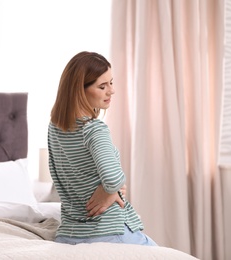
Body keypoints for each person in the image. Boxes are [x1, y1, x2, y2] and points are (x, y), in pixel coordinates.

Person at [48, 51, 157, 246]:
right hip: (109, 231)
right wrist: (111, 191)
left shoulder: (54, 128)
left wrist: (109, 189)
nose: (111, 91)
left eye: (111, 83)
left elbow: (59, 175)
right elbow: (114, 180)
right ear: (79, 90)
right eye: (102, 86)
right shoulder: (94, 130)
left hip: (69, 235)